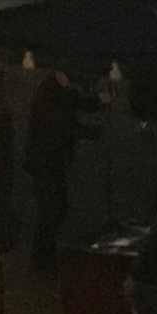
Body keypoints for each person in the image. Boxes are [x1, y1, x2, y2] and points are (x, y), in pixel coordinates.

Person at [23, 62, 101, 270]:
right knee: (50, 209)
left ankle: (45, 251)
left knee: (55, 207)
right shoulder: (48, 95)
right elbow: (64, 125)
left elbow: (80, 102)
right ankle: (41, 255)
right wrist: (92, 133)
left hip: (51, 160)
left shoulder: (58, 89)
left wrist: (99, 101)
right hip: (45, 161)